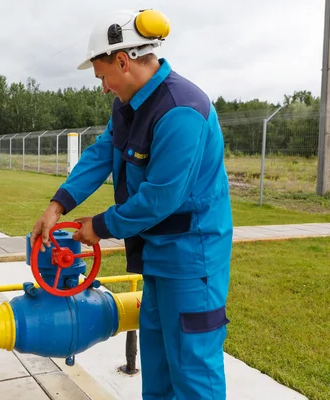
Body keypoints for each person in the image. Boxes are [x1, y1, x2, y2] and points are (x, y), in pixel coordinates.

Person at [30, 9, 234, 400]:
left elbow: (160, 198)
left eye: (103, 76)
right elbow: (102, 152)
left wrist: (100, 227)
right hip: (158, 255)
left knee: (193, 372)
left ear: (123, 61)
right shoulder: (130, 105)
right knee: (156, 370)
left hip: (193, 261)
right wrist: (59, 204)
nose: (103, 87)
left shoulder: (181, 110)